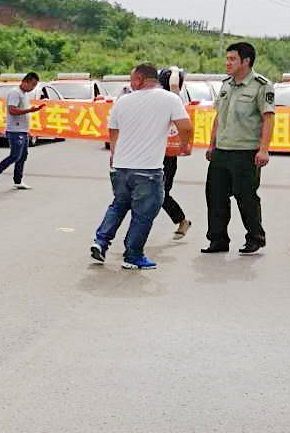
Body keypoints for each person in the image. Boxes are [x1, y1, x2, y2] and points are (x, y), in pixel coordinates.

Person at [90, 63, 193, 270]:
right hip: (147, 169)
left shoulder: (123, 101)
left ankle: (101, 241)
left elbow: (113, 130)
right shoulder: (170, 99)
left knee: (119, 205)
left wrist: (114, 154)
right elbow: (186, 127)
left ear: (140, 79)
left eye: (131, 80)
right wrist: (184, 146)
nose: (130, 84)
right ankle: (133, 256)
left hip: (120, 167)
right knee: (143, 214)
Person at [202, 41, 275, 255]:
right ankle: (218, 239)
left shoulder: (261, 85)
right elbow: (218, 117)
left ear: (246, 61)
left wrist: (263, 149)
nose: (228, 62)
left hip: (246, 151)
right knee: (215, 196)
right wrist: (212, 144)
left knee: (246, 197)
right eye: (227, 58)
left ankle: (255, 238)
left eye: (232, 59)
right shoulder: (226, 84)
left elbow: (268, 118)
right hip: (222, 150)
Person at [0, 72, 45, 191]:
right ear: (25, 81)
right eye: (33, 84)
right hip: (15, 130)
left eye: (35, 85)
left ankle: (18, 181)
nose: (33, 88)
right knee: (14, 156)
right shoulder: (15, 93)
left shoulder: (24, 94)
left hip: (22, 130)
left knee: (23, 156)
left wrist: (27, 129)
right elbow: (12, 110)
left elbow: (21, 111)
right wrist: (30, 110)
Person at [158, 66, 192, 240]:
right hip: (152, 152)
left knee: (161, 193)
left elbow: (173, 86)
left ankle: (182, 220)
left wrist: (174, 70)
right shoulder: (154, 97)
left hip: (168, 155)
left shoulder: (174, 99)